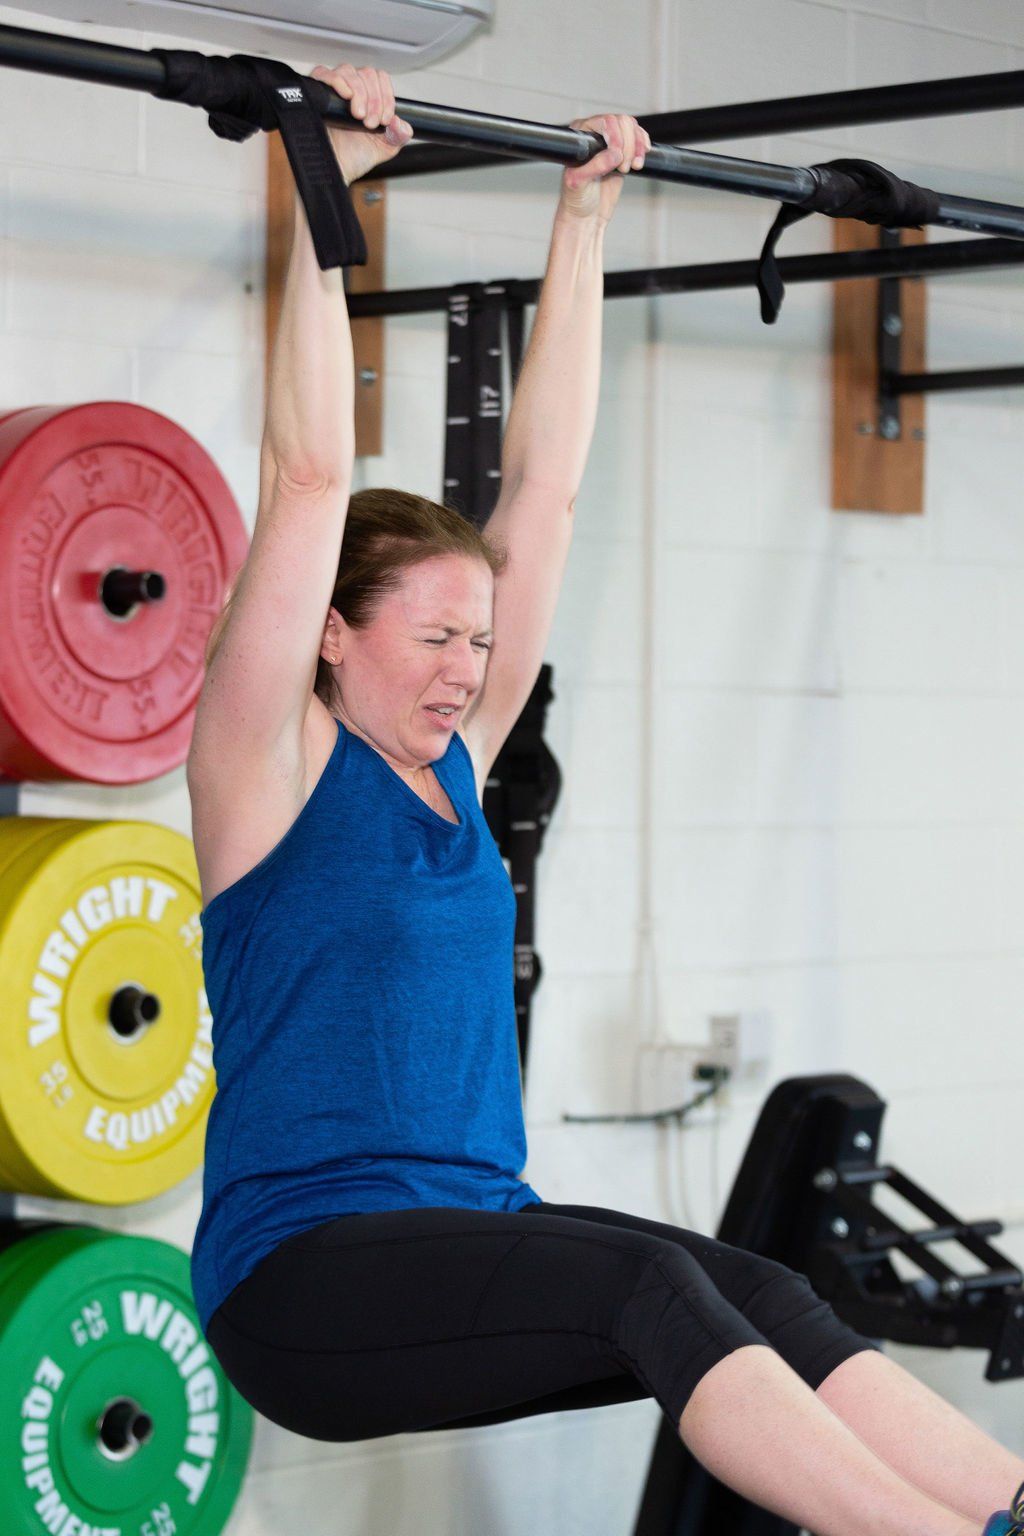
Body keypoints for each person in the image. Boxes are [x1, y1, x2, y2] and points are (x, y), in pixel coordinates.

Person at [186, 61, 1024, 1536]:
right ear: (333, 630)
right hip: (301, 1278)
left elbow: (548, 493)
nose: (466, 670)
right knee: (654, 1283)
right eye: (434, 638)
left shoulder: (455, 757)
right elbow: (310, 474)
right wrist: (319, 181)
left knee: (760, 1286)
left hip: (468, 1236)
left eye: (481, 642)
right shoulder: (268, 767)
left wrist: (586, 222)